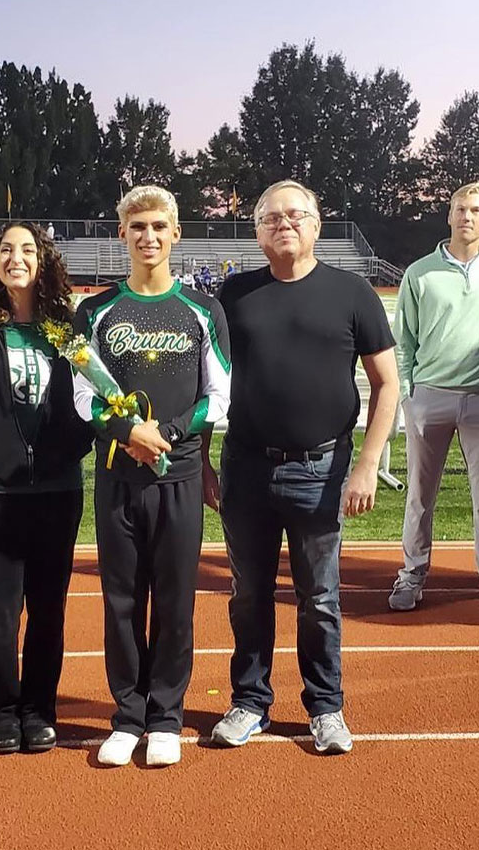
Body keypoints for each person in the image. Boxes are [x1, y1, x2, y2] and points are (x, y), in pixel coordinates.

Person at [209, 179, 398, 755]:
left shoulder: (353, 292)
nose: (284, 223)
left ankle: (325, 707)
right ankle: (249, 702)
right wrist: (200, 466)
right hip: (244, 468)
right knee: (248, 594)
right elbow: (201, 380)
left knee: (319, 598)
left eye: (297, 215)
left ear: (317, 225)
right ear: (257, 230)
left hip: (321, 468)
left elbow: (387, 383)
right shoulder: (232, 295)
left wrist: (367, 465)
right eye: (271, 217)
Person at [74, 185, 231, 767]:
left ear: (176, 233)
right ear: (122, 234)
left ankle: (165, 714)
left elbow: (219, 395)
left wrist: (164, 431)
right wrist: (127, 434)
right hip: (117, 480)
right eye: (137, 227)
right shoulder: (94, 312)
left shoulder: (201, 310)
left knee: (174, 599)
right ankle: (126, 714)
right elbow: (80, 397)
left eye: (159, 227)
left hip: (180, 478)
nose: (149, 237)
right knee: (119, 600)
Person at [0, 222, 91, 754]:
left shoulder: (67, 329)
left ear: (43, 260)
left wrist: (72, 445)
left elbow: (94, 399)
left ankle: (39, 708)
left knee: (49, 606)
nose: (16, 258)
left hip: (55, 490)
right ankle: (3, 709)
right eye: (6, 249)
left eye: (27, 249)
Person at [388, 181, 479, 611]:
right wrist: (408, 396)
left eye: (476, 210)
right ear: (448, 215)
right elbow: (402, 341)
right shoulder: (419, 273)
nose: (468, 217)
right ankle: (411, 576)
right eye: (461, 209)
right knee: (420, 496)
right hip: (430, 396)